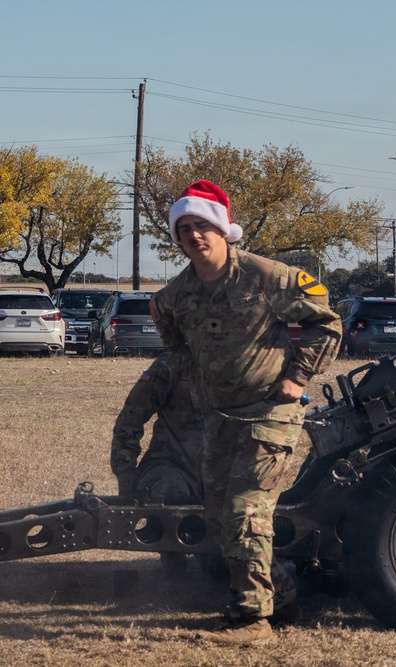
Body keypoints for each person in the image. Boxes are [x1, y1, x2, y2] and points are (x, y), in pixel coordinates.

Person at [151, 180, 342, 644]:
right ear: (177, 237)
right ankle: (285, 598)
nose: (195, 236)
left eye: (202, 226)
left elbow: (327, 324)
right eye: (185, 229)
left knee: (244, 511)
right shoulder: (177, 293)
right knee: (219, 519)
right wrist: (195, 380)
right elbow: (172, 335)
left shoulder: (267, 276)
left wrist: (297, 378)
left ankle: (252, 621)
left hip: (270, 412)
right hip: (219, 416)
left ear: (221, 229)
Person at [110, 345, 203, 579]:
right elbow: (130, 419)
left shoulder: (243, 367)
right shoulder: (173, 365)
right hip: (172, 464)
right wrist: (126, 475)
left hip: (222, 470)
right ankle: (174, 565)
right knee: (170, 494)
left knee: (219, 570)